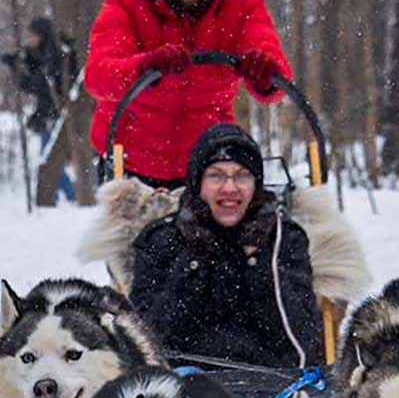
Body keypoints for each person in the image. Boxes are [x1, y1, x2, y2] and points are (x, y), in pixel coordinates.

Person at [84, 0, 292, 188]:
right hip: (129, 166)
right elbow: (98, 76)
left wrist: (265, 73)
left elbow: (274, 71)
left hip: (206, 165)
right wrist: (144, 66)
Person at [126, 123, 321, 369]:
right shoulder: (161, 240)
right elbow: (147, 340)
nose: (230, 187)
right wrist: (194, 261)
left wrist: (257, 261)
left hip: (272, 385)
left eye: (242, 175)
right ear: (198, 184)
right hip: (183, 387)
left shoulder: (285, 239)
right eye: (216, 175)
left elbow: (300, 339)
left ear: (256, 184)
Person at [1, 15, 78, 200]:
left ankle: (70, 194)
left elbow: (34, 84)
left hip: (55, 114)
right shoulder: (41, 53)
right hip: (49, 113)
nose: (31, 39)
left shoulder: (54, 56)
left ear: (43, 36)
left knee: (51, 159)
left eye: (34, 35)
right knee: (50, 158)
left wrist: (16, 69)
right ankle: (62, 194)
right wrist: (17, 62)